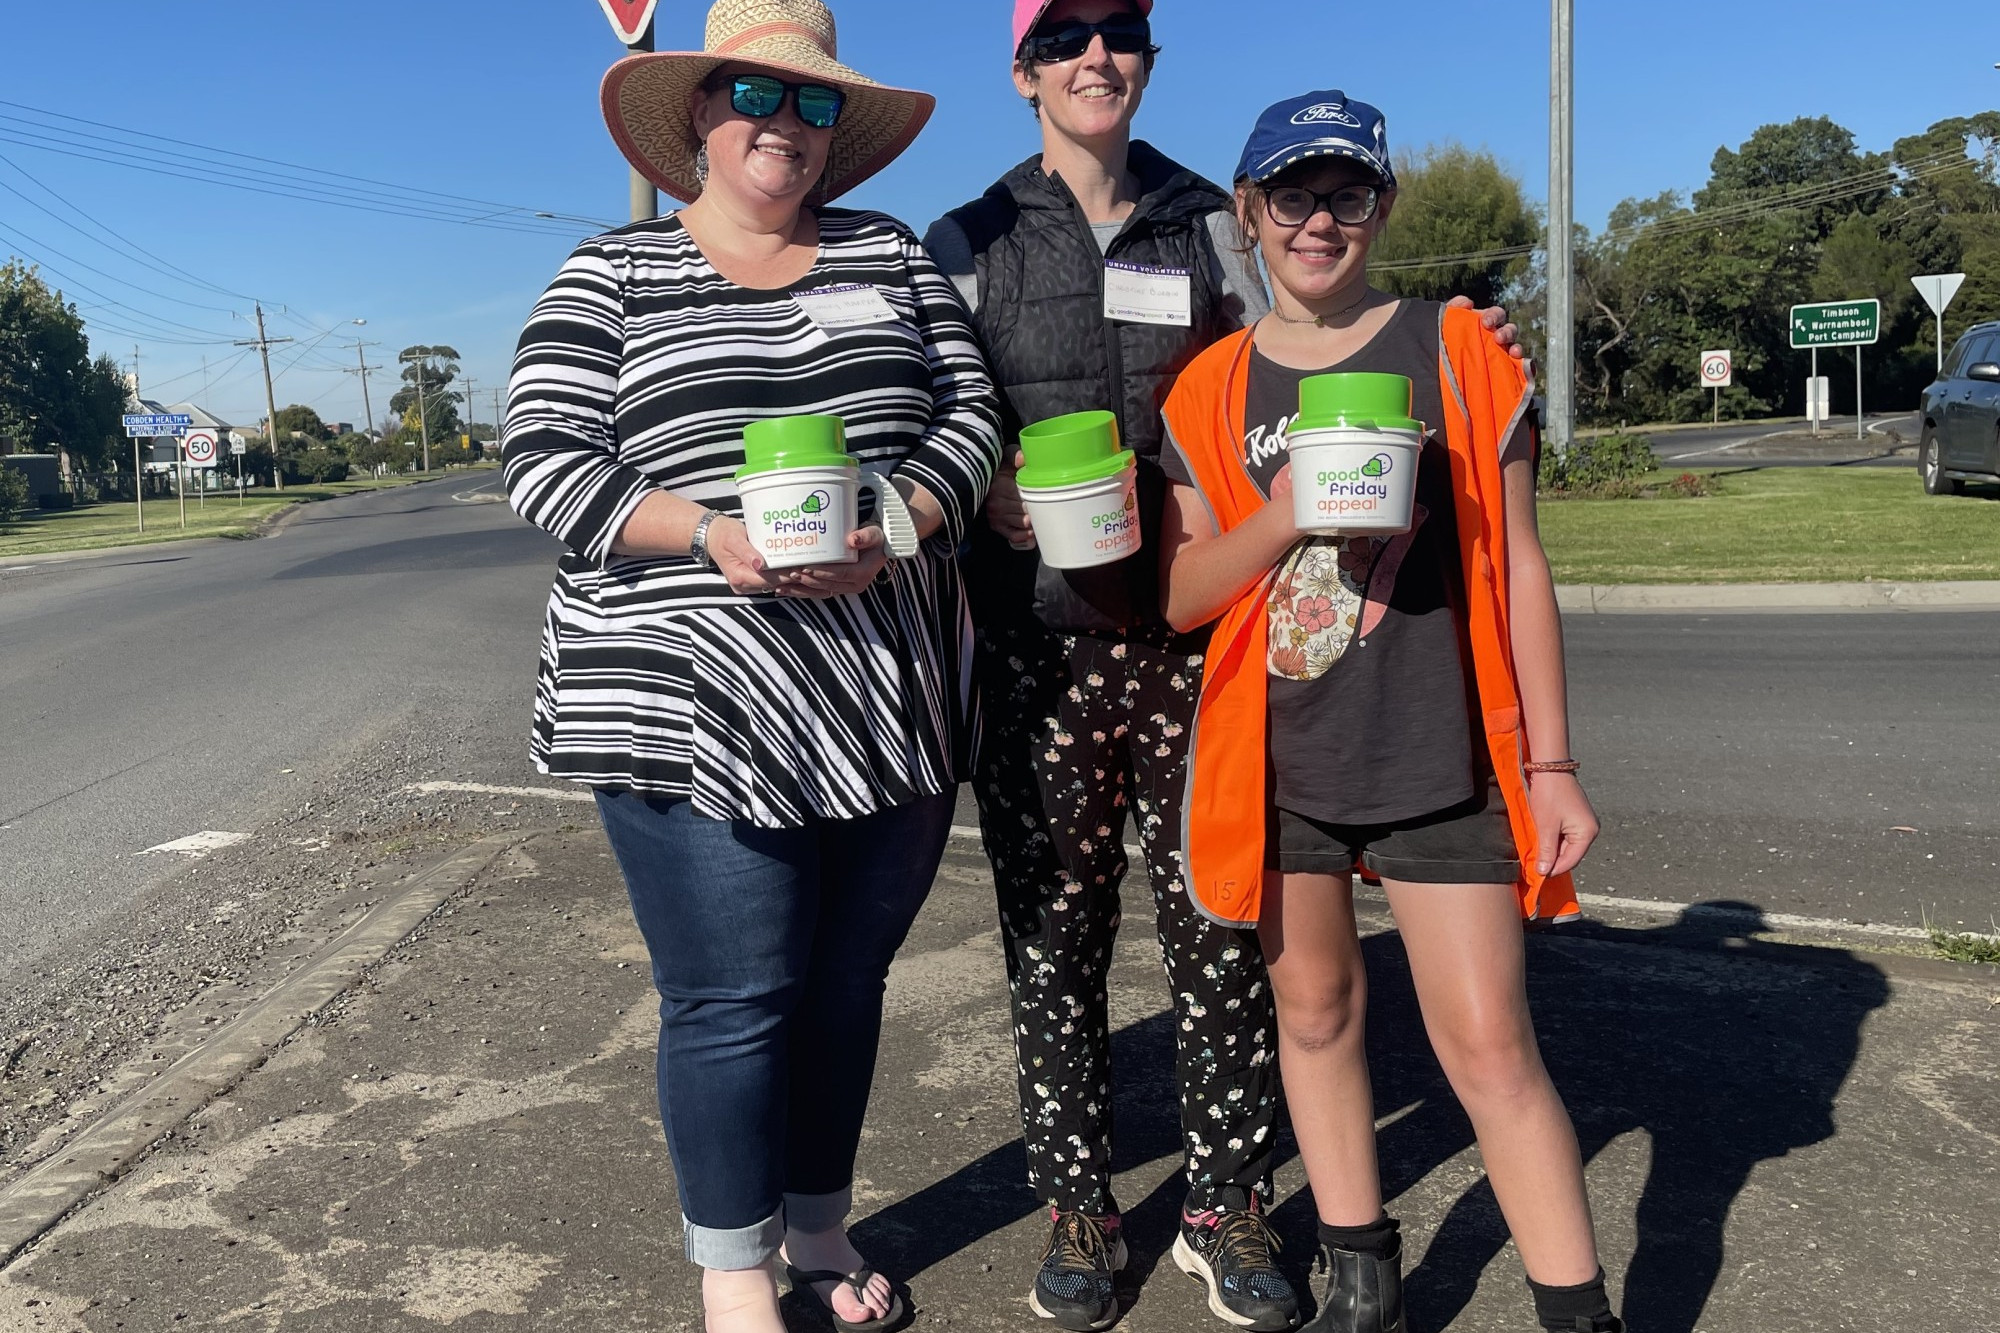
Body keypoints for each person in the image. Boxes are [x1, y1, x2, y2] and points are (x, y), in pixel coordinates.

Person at [925, 8, 1522, 1331]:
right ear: (1023, 70)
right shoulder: (965, 240)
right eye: (1065, 33)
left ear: (1143, 61)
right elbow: (937, 423)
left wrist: (1462, 353)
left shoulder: (1211, 222)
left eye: (1122, 31)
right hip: (1037, 644)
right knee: (1052, 938)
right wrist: (984, 501)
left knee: (1223, 935)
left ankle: (1224, 1204)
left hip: (1204, 639)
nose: (1097, 54)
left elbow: (1314, 354)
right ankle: (1081, 1206)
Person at [503, 3, 1001, 1331]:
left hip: (883, 698)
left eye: (816, 102)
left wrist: (895, 524)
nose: (784, 124)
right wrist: (708, 532)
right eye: (754, 96)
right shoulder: (610, 275)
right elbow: (545, 459)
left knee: (845, 986)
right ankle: (735, 1273)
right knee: (733, 997)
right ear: (700, 119)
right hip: (688, 699)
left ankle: (823, 1235)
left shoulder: (891, 255)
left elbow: (973, 419)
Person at [1156, 90, 1620, 1333]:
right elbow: (1185, 593)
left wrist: (1555, 765)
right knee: (1313, 1013)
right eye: (1291, 195)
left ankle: (1575, 1308)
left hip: (1441, 750)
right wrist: (1285, 510)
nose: (1319, 220)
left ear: (1380, 208)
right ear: (1247, 215)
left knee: (1485, 1043)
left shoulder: (1458, 348)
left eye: (1346, 192)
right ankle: (1364, 1276)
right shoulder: (1208, 391)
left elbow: (1519, 563)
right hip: (1282, 757)